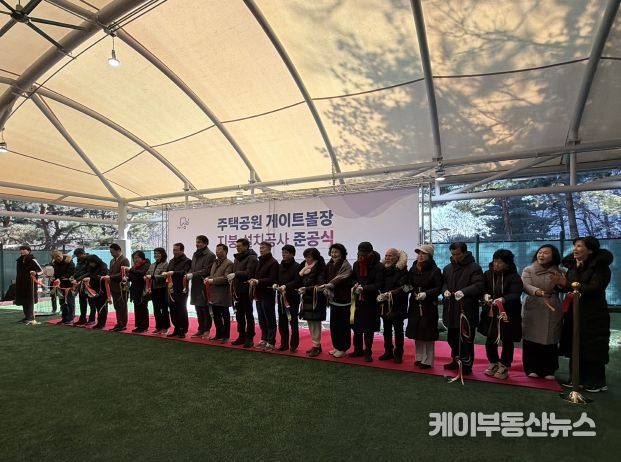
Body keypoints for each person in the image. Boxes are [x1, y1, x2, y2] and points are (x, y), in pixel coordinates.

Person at [551, 236, 613, 393]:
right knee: (574, 342)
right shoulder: (573, 266)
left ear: (590, 250)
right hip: (574, 311)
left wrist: (567, 284)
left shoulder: (601, 267)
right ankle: (576, 378)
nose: (575, 249)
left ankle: (596, 382)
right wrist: (559, 284)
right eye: (575, 245)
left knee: (592, 345)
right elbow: (569, 287)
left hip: (593, 313)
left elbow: (595, 288)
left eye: (579, 246)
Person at [479, 249, 523, 380]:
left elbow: (516, 294)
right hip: (491, 312)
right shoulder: (488, 274)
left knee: (507, 339)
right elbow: (482, 289)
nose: (496, 264)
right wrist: (485, 296)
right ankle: (493, 362)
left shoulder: (514, 277)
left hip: (508, 313)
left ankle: (504, 365)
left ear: (508, 264)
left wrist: (503, 299)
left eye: (500, 262)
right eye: (495, 261)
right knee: (490, 338)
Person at [521, 244, 564, 379]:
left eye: (546, 253)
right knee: (531, 337)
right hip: (533, 304)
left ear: (553, 256)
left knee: (551, 337)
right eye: (540, 252)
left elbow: (564, 286)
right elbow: (525, 285)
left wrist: (560, 282)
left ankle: (549, 369)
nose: (541, 255)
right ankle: (531, 367)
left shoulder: (559, 271)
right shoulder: (529, 270)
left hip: (552, 305)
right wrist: (536, 291)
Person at [442, 242, 484, 376]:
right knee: (452, 338)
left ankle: (466, 365)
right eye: (453, 254)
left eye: (458, 254)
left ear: (465, 252)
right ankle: (455, 360)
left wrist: (464, 292)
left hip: (467, 310)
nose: (455, 257)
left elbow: (479, 285)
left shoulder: (474, 268)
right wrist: (445, 291)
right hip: (451, 309)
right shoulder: (447, 268)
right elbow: (444, 283)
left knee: (466, 340)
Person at [406, 244, 442, 369]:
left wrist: (426, 294)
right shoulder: (413, 269)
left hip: (429, 305)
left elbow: (438, 288)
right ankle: (419, 357)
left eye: (423, 254)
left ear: (429, 256)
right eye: (419, 253)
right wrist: (406, 290)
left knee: (428, 331)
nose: (420, 256)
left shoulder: (435, 270)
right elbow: (408, 284)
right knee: (417, 330)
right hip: (415, 303)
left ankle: (428, 360)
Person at [351, 242, 384, 362]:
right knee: (357, 327)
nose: (361, 257)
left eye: (364, 255)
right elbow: (353, 278)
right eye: (360, 254)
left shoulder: (379, 266)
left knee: (368, 328)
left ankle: (368, 352)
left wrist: (364, 288)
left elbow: (379, 284)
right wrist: (355, 285)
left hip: (371, 301)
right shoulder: (356, 264)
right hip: (358, 300)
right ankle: (357, 350)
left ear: (370, 253)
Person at [377, 248, 408, 364]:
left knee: (398, 330)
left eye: (390, 256)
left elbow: (407, 287)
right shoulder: (383, 270)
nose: (387, 258)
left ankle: (398, 353)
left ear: (397, 258)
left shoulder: (403, 271)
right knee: (386, 330)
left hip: (398, 305)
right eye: (386, 255)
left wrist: (391, 294)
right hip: (385, 304)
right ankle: (388, 351)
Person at [324, 243, 353, 359]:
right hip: (333, 299)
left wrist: (330, 284)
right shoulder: (329, 264)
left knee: (343, 326)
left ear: (342, 253)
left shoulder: (346, 265)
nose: (333, 254)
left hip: (344, 300)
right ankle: (336, 346)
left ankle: (343, 348)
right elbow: (324, 276)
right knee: (334, 325)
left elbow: (341, 278)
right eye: (332, 252)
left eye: (336, 252)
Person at [228, 238, 258, 348]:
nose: (237, 248)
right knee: (239, 314)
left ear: (246, 246)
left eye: (239, 246)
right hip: (238, 290)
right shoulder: (237, 258)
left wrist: (236, 274)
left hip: (246, 290)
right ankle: (241, 335)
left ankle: (250, 337)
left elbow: (249, 273)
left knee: (248, 314)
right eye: (237, 246)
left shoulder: (252, 258)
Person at [249, 241, 279, 351]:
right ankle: (264, 339)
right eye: (260, 248)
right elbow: (256, 275)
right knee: (261, 318)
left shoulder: (273, 262)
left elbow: (272, 279)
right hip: (258, 294)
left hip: (268, 294)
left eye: (263, 248)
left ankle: (271, 342)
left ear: (269, 249)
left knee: (270, 318)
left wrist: (258, 281)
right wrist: (253, 280)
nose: (261, 250)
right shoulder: (259, 261)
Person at [298, 248, 327, 357]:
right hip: (307, 299)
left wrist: (306, 289)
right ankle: (316, 345)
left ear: (315, 257)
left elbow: (321, 285)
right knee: (310, 322)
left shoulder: (320, 267)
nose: (307, 259)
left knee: (315, 323)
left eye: (309, 257)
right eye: (306, 256)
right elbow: (299, 280)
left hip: (316, 299)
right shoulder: (304, 266)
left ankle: (316, 345)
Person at [187, 235, 216, 338]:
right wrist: (189, 273)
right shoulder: (195, 254)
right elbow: (192, 267)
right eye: (196, 242)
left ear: (205, 243)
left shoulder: (210, 255)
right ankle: (200, 329)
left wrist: (193, 274)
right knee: (198, 308)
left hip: (204, 285)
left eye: (199, 242)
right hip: (195, 284)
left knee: (205, 309)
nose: (197, 244)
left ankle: (206, 330)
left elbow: (207, 270)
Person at [275, 245, 303, 352]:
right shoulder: (279, 266)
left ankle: (294, 345)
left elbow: (298, 281)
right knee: (282, 323)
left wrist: (286, 286)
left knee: (293, 321)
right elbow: (277, 279)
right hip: (281, 297)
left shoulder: (297, 266)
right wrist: (275, 284)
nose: (284, 254)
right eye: (283, 252)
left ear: (292, 254)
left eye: (286, 252)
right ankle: (284, 344)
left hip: (292, 298)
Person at [206, 244, 234, 342]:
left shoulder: (229, 263)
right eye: (216, 250)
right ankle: (218, 334)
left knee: (225, 316)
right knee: (216, 315)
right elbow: (212, 275)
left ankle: (226, 336)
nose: (217, 252)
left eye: (220, 250)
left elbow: (226, 278)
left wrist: (212, 281)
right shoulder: (215, 262)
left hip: (223, 294)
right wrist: (208, 278)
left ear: (225, 251)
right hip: (214, 293)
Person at [163, 242, 191, 338]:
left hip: (181, 289)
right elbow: (168, 271)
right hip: (171, 289)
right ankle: (176, 328)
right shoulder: (171, 261)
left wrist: (173, 273)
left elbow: (185, 272)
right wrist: (165, 274)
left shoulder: (187, 261)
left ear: (182, 250)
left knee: (181, 309)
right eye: (173, 250)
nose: (174, 252)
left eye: (176, 250)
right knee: (172, 309)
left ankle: (183, 330)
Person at [15, 245, 42, 323]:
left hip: (30, 284)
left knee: (29, 300)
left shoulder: (32, 259)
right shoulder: (19, 260)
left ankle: (30, 317)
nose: (22, 251)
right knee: (23, 300)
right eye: (21, 249)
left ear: (29, 251)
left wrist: (35, 272)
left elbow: (40, 270)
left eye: (24, 249)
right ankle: (26, 317)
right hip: (21, 283)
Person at [146, 247, 170, 334]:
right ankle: (158, 326)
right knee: (156, 309)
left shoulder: (166, 264)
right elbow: (147, 274)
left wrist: (152, 277)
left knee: (164, 309)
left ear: (163, 254)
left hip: (162, 289)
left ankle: (165, 327)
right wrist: (146, 277)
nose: (156, 255)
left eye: (158, 253)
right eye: (155, 253)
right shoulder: (152, 265)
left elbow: (164, 276)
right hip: (153, 289)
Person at [126, 250, 151, 333]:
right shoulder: (135, 266)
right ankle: (139, 326)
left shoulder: (147, 265)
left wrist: (131, 270)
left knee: (143, 308)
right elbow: (132, 276)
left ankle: (144, 326)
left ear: (142, 258)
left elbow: (141, 274)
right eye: (134, 258)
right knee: (137, 309)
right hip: (135, 290)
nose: (135, 260)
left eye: (137, 258)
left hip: (143, 290)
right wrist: (127, 278)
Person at [108, 243, 130, 332]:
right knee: (117, 306)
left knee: (122, 306)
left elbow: (123, 274)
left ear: (119, 251)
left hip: (122, 287)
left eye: (112, 252)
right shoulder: (112, 261)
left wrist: (110, 277)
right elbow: (111, 272)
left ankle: (123, 324)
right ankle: (119, 322)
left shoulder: (125, 260)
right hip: (113, 287)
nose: (111, 254)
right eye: (110, 252)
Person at [83, 255, 109, 329]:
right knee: (97, 306)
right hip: (94, 290)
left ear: (95, 261)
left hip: (102, 290)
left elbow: (102, 277)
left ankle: (102, 323)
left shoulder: (103, 266)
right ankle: (99, 322)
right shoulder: (91, 267)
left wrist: (90, 277)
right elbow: (90, 274)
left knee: (102, 307)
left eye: (91, 263)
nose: (90, 264)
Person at [51, 250, 76, 325]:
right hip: (59, 285)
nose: (58, 258)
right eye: (55, 257)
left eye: (59, 256)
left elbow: (70, 273)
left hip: (69, 285)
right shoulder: (54, 263)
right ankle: (64, 318)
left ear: (62, 255)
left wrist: (60, 278)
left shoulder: (70, 262)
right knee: (62, 302)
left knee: (70, 302)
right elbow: (55, 273)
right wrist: (53, 277)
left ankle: (70, 318)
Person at [72, 248, 91, 325]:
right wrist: (73, 276)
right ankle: (83, 318)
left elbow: (89, 272)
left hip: (88, 284)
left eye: (78, 255)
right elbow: (77, 271)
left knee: (91, 302)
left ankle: (92, 319)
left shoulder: (90, 260)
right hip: (80, 284)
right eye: (77, 256)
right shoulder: (79, 261)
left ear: (83, 253)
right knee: (82, 302)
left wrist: (78, 279)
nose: (78, 257)